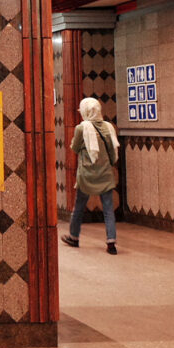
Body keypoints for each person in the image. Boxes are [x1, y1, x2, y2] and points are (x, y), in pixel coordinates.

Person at [62, 97, 120, 255]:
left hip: (87, 174)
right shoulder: (108, 127)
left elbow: (75, 148)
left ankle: (74, 237)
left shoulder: (82, 128)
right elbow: (112, 151)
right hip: (105, 173)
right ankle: (111, 242)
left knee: (79, 207)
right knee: (108, 209)